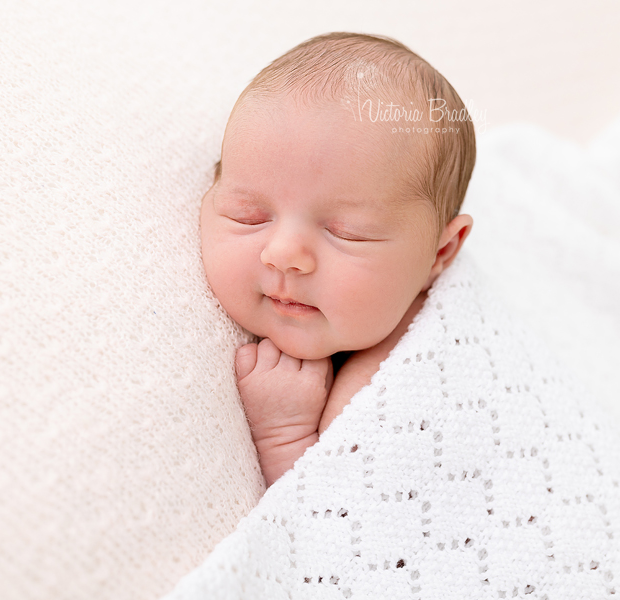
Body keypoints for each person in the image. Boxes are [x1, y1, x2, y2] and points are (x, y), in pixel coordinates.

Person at [200, 32, 476, 486]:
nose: (285, 254)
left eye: (345, 233)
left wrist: (284, 436)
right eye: (249, 216)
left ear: (440, 252)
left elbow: (336, 529)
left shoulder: (399, 379)